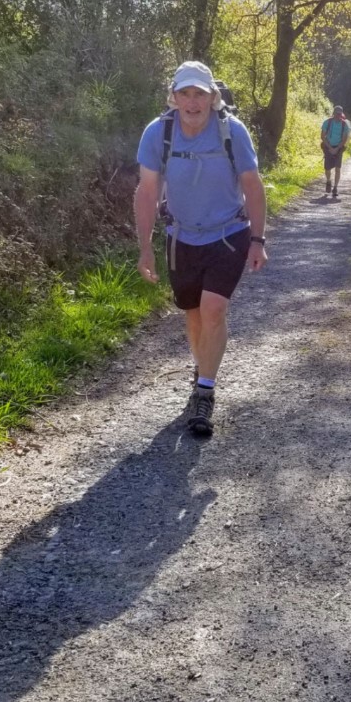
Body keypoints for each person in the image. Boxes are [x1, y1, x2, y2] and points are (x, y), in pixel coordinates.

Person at [134, 61, 268, 437]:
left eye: (200, 94)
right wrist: (144, 248)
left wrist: (258, 240)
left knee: (213, 308)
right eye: (185, 94)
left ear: (213, 97)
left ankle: (205, 392)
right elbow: (146, 193)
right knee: (192, 314)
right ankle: (202, 368)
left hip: (228, 234)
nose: (193, 102)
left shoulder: (232, 132)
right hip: (181, 238)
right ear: (174, 97)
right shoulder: (157, 133)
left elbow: (253, 188)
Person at [320, 105, 351, 198]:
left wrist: (336, 149)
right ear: (333, 113)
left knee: (338, 168)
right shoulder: (327, 122)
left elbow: (344, 139)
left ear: (341, 114)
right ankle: (328, 181)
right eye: (337, 114)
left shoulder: (344, 125)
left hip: (339, 148)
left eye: (340, 114)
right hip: (328, 147)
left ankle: (335, 188)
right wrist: (330, 148)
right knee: (327, 169)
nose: (338, 116)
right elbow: (322, 136)